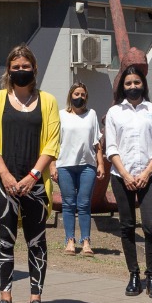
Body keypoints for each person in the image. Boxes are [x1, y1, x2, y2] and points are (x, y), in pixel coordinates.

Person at [0, 45, 60, 303]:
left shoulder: (48, 101)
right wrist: (5, 175)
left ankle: (35, 300)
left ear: (34, 70)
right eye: (16, 67)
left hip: (34, 185)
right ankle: (5, 300)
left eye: (26, 67)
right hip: (4, 183)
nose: (21, 71)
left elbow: (52, 142)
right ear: (8, 70)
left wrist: (33, 176)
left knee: (36, 242)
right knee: (4, 242)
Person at [105, 65, 152, 299]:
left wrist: (145, 173)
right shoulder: (114, 113)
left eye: (136, 83)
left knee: (151, 226)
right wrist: (127, 175)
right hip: (122, 177)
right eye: (128, 83)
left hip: (148, 176)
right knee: (127, 226)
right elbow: (111, 147)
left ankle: (151, 275)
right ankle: (133, 274)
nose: (132, 87)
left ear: (144, 85)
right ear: (123, 86)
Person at [52, 82, 104, 257]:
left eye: (82, 94)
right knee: (68, 204)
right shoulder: (60, 115)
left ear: (86, 97)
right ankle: (69, 241)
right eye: (76, 94)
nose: (79, 97)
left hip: (87, 165)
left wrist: (101, 164)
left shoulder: (92, 115)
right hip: (64, 165)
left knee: (84, 204)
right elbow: (53, 142)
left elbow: (97, 143)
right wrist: (52, 165)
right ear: (70, 96)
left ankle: (86, 241)